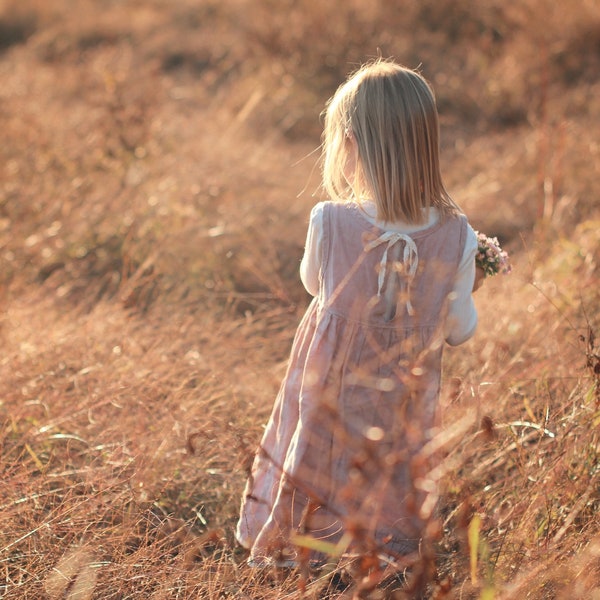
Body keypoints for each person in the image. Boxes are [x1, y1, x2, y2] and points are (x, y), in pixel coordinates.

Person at [236, 59, 481, 569]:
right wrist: (467, 283)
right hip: (404, 398)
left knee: (319, 459)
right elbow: (460, 330)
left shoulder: (330, 220)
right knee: (394, 469)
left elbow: (313, 284)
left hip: (331, 390)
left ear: (349, 142)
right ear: (427, 141)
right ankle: (386, 556)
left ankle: (304, 551)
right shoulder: (458, 235)